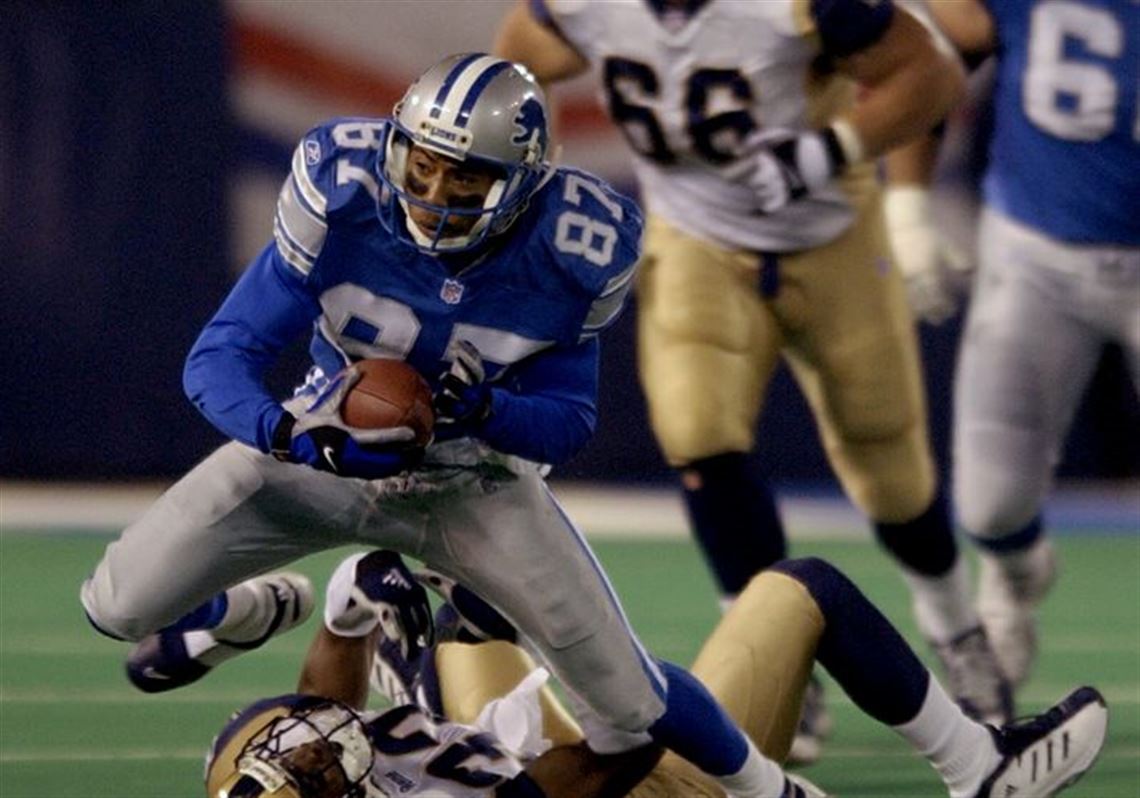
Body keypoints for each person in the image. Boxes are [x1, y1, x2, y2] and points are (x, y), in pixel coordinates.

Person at [79, 53, 806, 798]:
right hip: (321, 456)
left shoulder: (575, 242)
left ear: (521, 181)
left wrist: (489, 409)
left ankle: (767, 789)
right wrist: (292, 433)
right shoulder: (342, 192)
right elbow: (219, 358)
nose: (433, 192)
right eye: (423, 165)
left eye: (467, 177)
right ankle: (250, 606)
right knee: (117, 604)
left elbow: (568, 423)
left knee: (630, 717)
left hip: (471, 482)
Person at [492, 0, 1011, 744]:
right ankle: (778, 658)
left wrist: (827, 151)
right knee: (696, 432)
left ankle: (957, 629)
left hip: (830, 232)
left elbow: (928, 77)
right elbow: (516, 68)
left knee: (886, 458)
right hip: (695, 237)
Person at [205, 549, 1110, 797]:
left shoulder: (284, 770)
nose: (320, 750)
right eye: (322, 775)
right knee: (802, 594)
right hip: (630, 788)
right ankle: (978, 769)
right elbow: (615, 748)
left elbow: (316, 709)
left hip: (518, 762)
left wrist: (344, 605)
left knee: (447, 600)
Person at [915, 0, 1140, 688]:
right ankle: (1014, 577)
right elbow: (918, 62)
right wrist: (905, 206)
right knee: (989, 504)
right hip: (1036, 256)